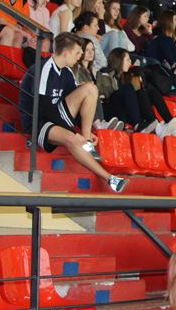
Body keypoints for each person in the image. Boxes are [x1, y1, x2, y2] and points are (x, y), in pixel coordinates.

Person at [18, 32, 128, 193]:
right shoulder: (43, 69)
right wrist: (73, 133)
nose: (80, 56)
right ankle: (110, 179)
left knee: (90, 88)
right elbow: (44, 109)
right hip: (38, 121)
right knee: (72, 139)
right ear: (65, 52)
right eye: (77, 53)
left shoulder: (67, 71)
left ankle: (87, 141)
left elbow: (76, 103)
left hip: (56, 115)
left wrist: (84, 132)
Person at [97, 48, 172, 134]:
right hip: (111, 109)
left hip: (124, 111)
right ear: (119, 61)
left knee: (149, 92)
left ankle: (165, 122)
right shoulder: (105, 73)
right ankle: (137, 125)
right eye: (128, 59)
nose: (130, 62)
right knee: (128, 88)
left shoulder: (126, 76)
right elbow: (106, 96)